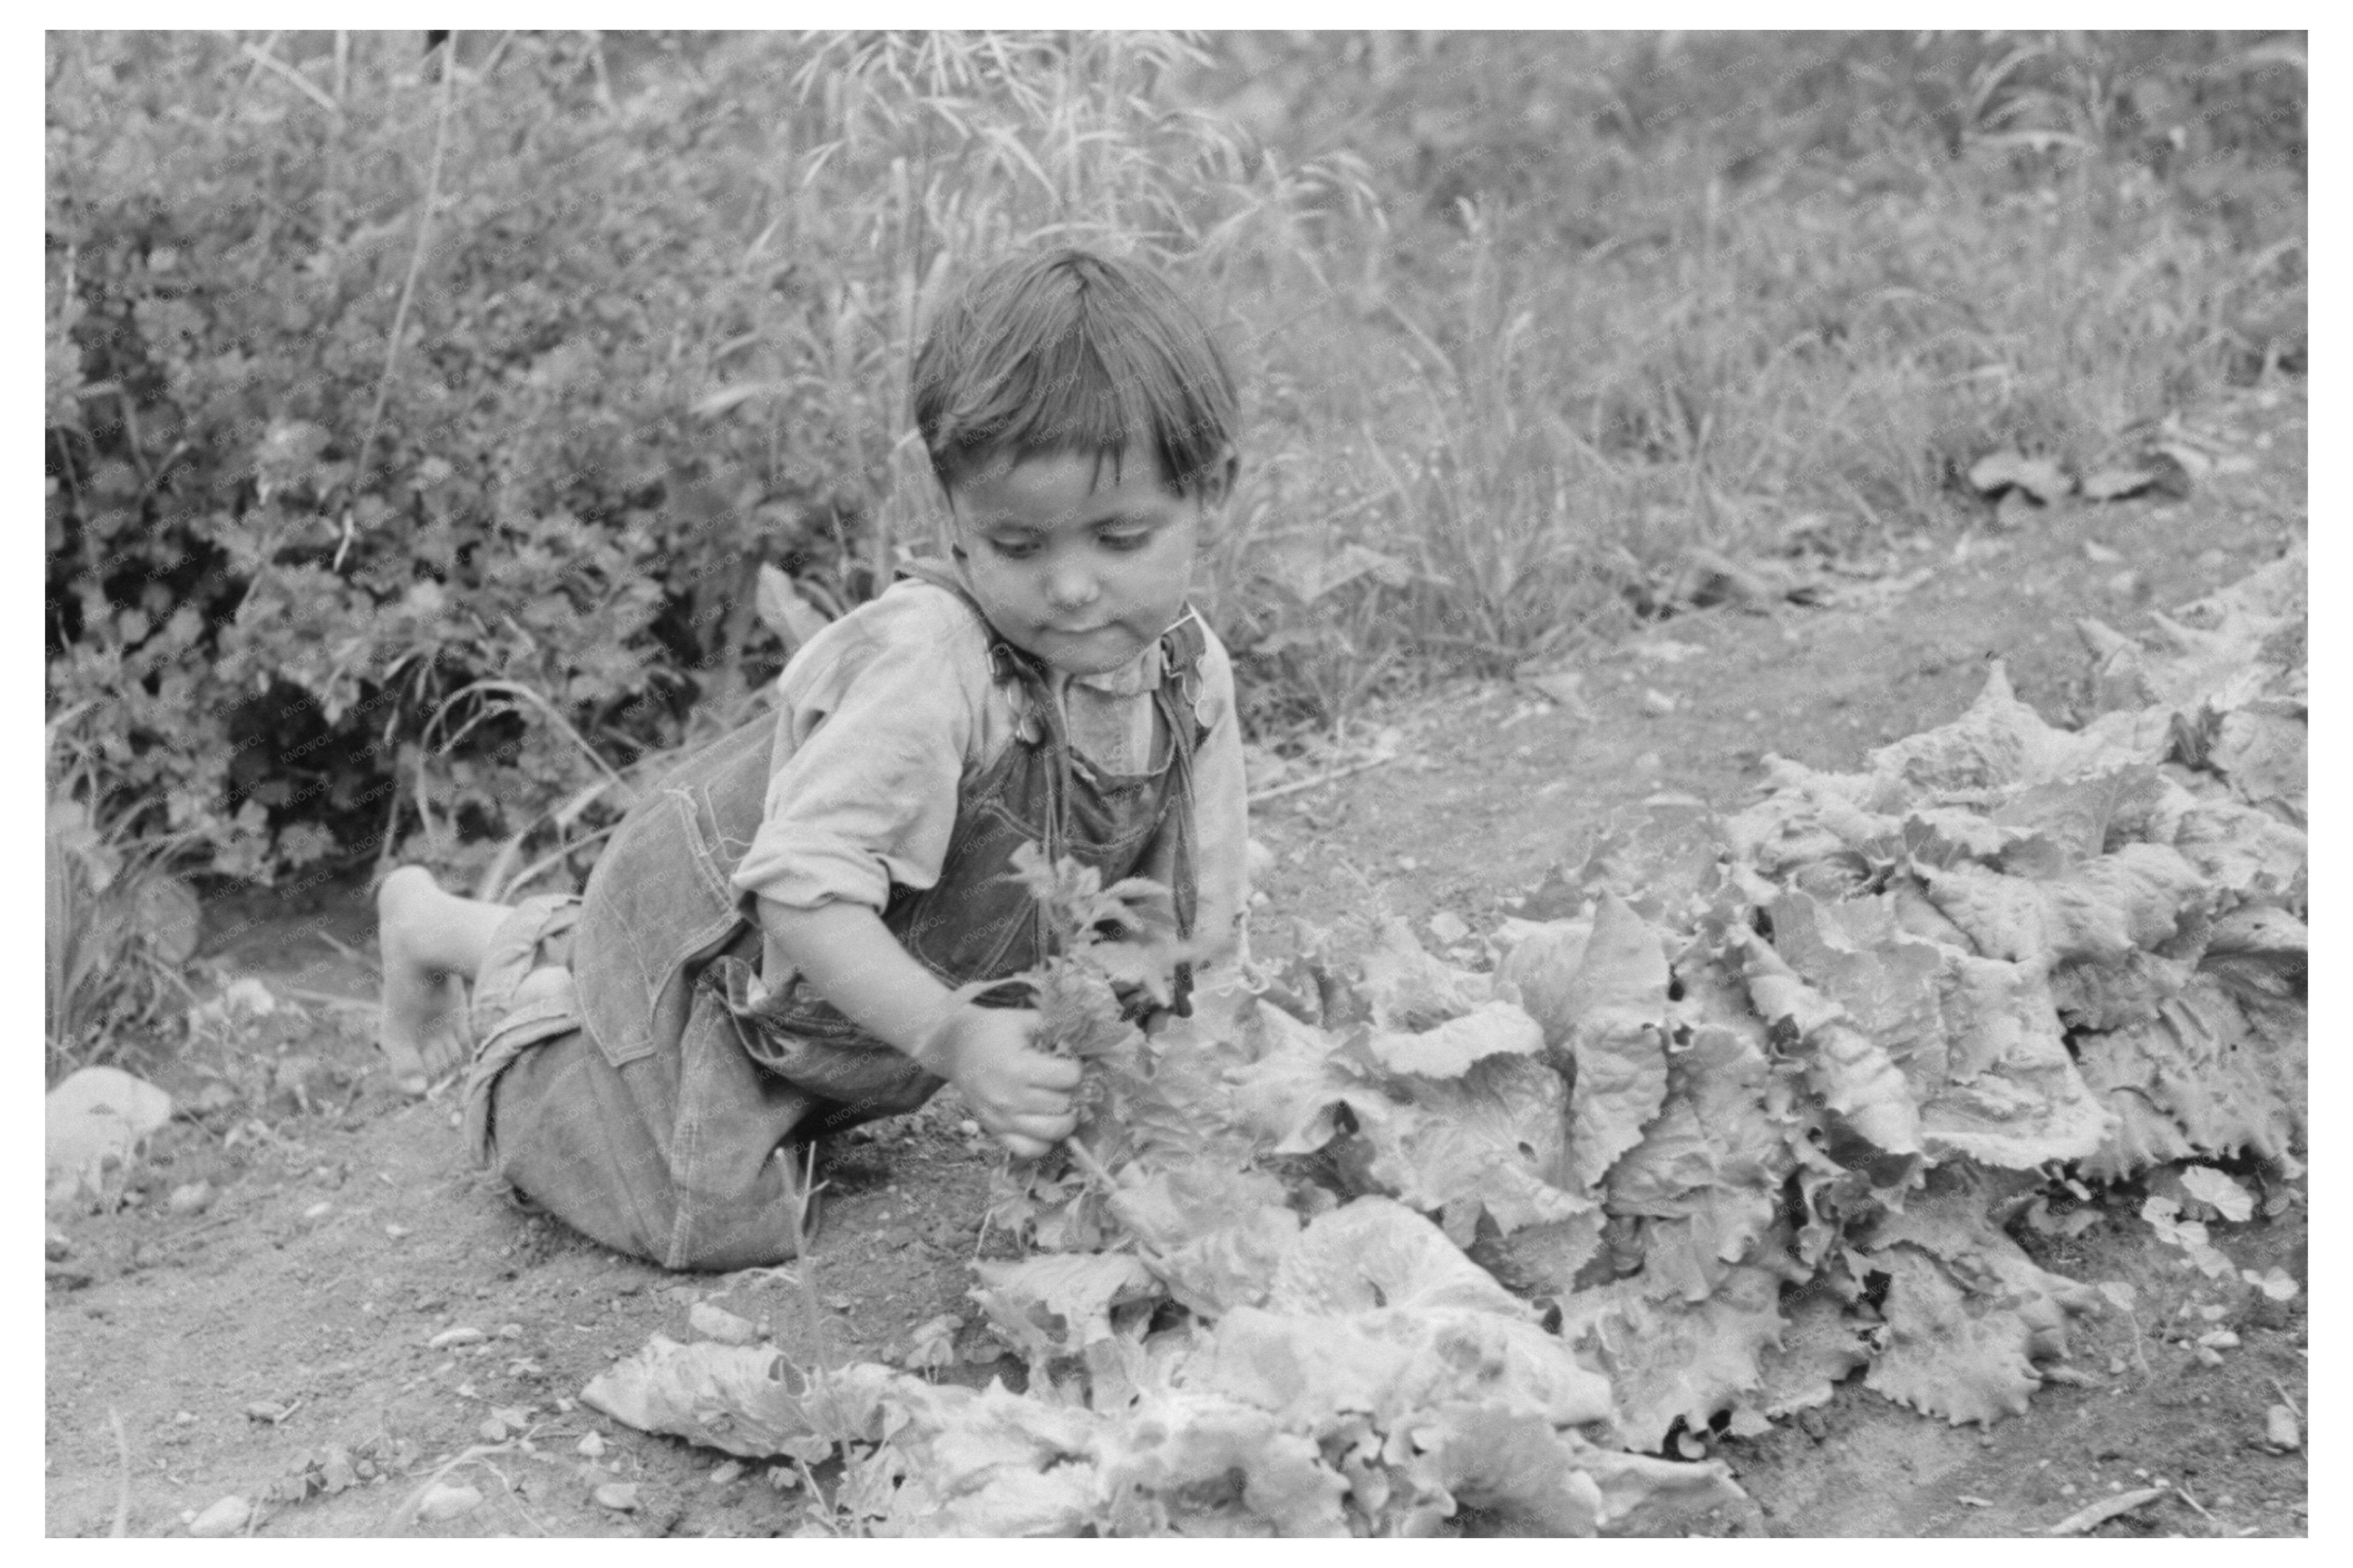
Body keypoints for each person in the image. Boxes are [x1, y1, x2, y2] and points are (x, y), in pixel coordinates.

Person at [374, 249, 1250, 1271]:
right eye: (1016, 546)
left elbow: (1197, 923)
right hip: (726, 955)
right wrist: (960, 1041)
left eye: (1120, 537)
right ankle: (512, 1002)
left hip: (851, 995)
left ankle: (462, 928)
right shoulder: (930, 666)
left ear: (1211, 488)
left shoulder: (1188, 677)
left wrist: (1194, 1112)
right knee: (709, 1217)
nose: (1069, 587)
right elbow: (800, 895)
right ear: (949, 507)